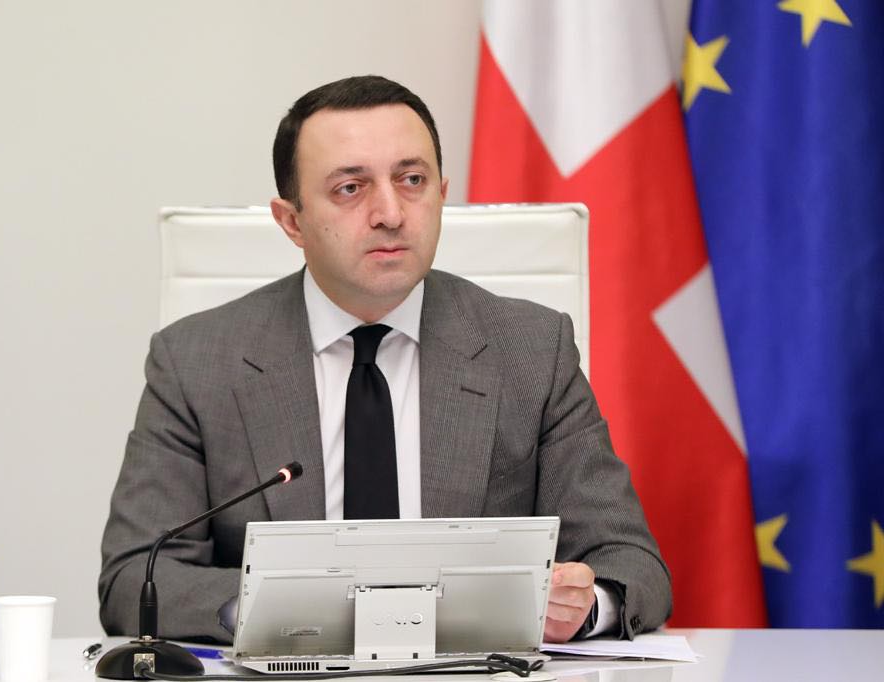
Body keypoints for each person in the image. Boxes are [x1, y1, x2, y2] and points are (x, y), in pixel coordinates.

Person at [99, 75, 671, 645]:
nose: (391, 213)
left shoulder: (531, 349)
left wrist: (585, 606)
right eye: (351, 188)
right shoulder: (197, 362)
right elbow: (133, 579)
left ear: (442, 194)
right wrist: (292, 610)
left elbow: (631, 562)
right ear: (292, 221)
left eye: (412, 180)